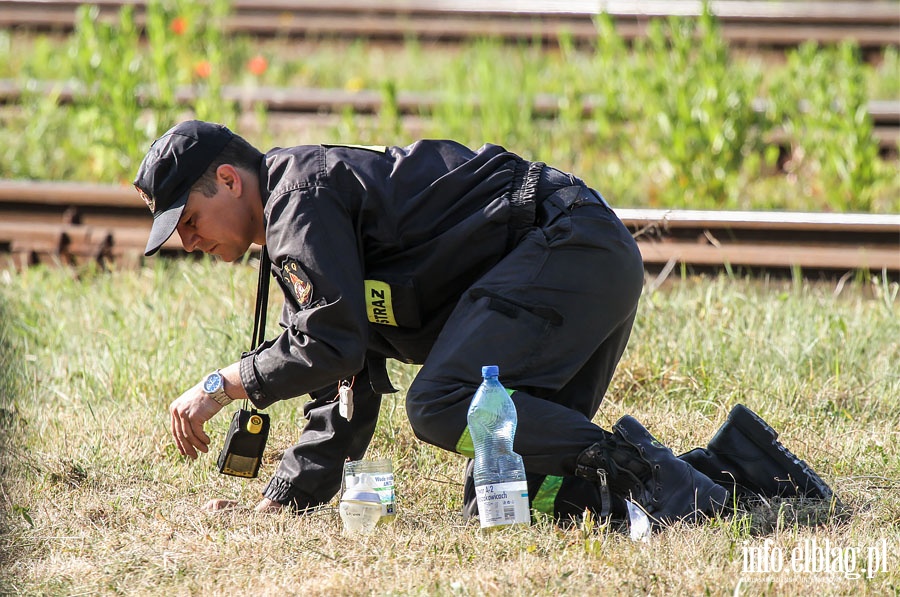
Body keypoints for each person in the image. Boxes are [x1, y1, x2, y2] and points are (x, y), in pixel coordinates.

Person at [135, 120, 835, 527]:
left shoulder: (301, 197)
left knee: (440, 405)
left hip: (569, 248)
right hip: (576, 262)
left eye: (189, 222)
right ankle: (746, 469)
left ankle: (651, 472)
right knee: (508, 497)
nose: (189, 243)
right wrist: (282, 499)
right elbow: (343, 381)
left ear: (228, 179)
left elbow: (328, 342)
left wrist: (223, 383)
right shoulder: (299, 227)